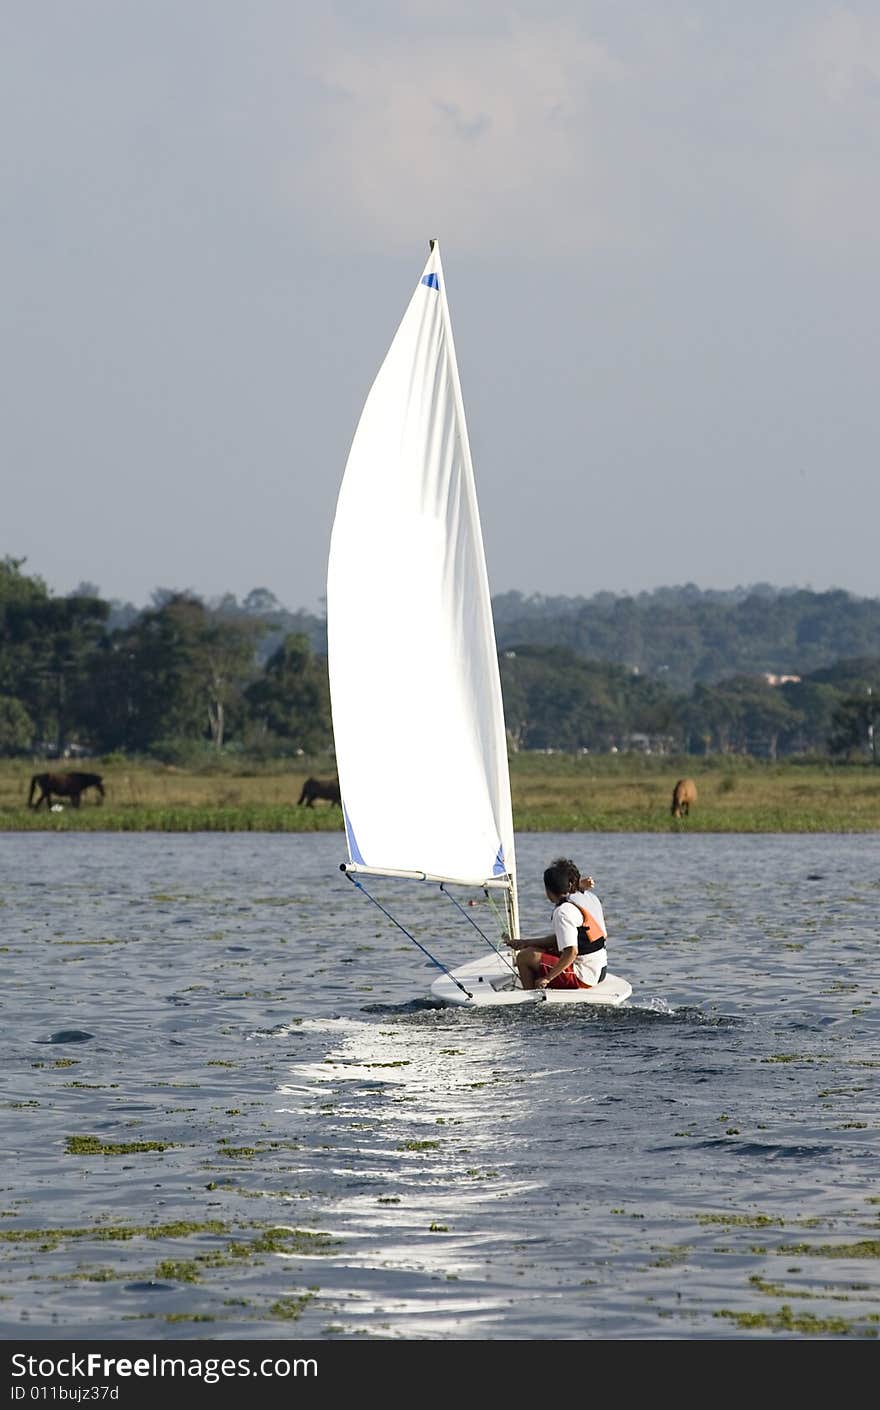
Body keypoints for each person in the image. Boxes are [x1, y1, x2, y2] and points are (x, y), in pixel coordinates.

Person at [504, 857, 608, 992]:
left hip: (584, 975)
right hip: (601, 969)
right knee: (531, 950)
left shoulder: (563, 912)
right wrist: (526, 942)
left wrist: (548, 978)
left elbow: (571, 951)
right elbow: (565, 939)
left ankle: (529, 1002)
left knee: (524, 957)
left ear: (548, 890)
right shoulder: (589, 897)